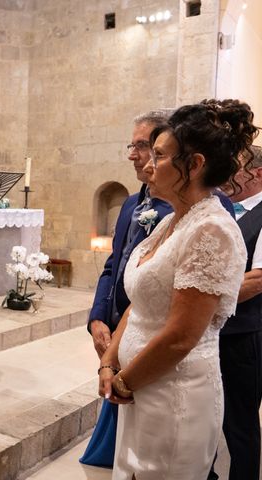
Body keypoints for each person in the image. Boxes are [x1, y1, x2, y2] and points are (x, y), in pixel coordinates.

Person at [99, 99, 257, 479]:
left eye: (160, 155)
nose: (148, 165)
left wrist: (124, 380)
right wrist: (109, 362)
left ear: (196, 164)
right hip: (141, 385)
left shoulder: (212, 231)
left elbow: (182, 336)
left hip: (175, 393)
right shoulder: (173, 223)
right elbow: (141, 303)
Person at [81, 110, 172, 467]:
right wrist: (98, 319)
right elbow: (112, 265)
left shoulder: (191, 210)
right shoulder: (132, 204)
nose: (132, 155)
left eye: (141, 146)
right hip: (118, 328)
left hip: (152, 335)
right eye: (130, 145)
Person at [218, 144, 262, 480]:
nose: (227, 171)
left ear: (257, 174)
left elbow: (259, 279)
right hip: (218, 330)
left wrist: (206, 301)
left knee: (239, 422)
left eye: (236, 166)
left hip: (245, 334)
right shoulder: (225, 210)